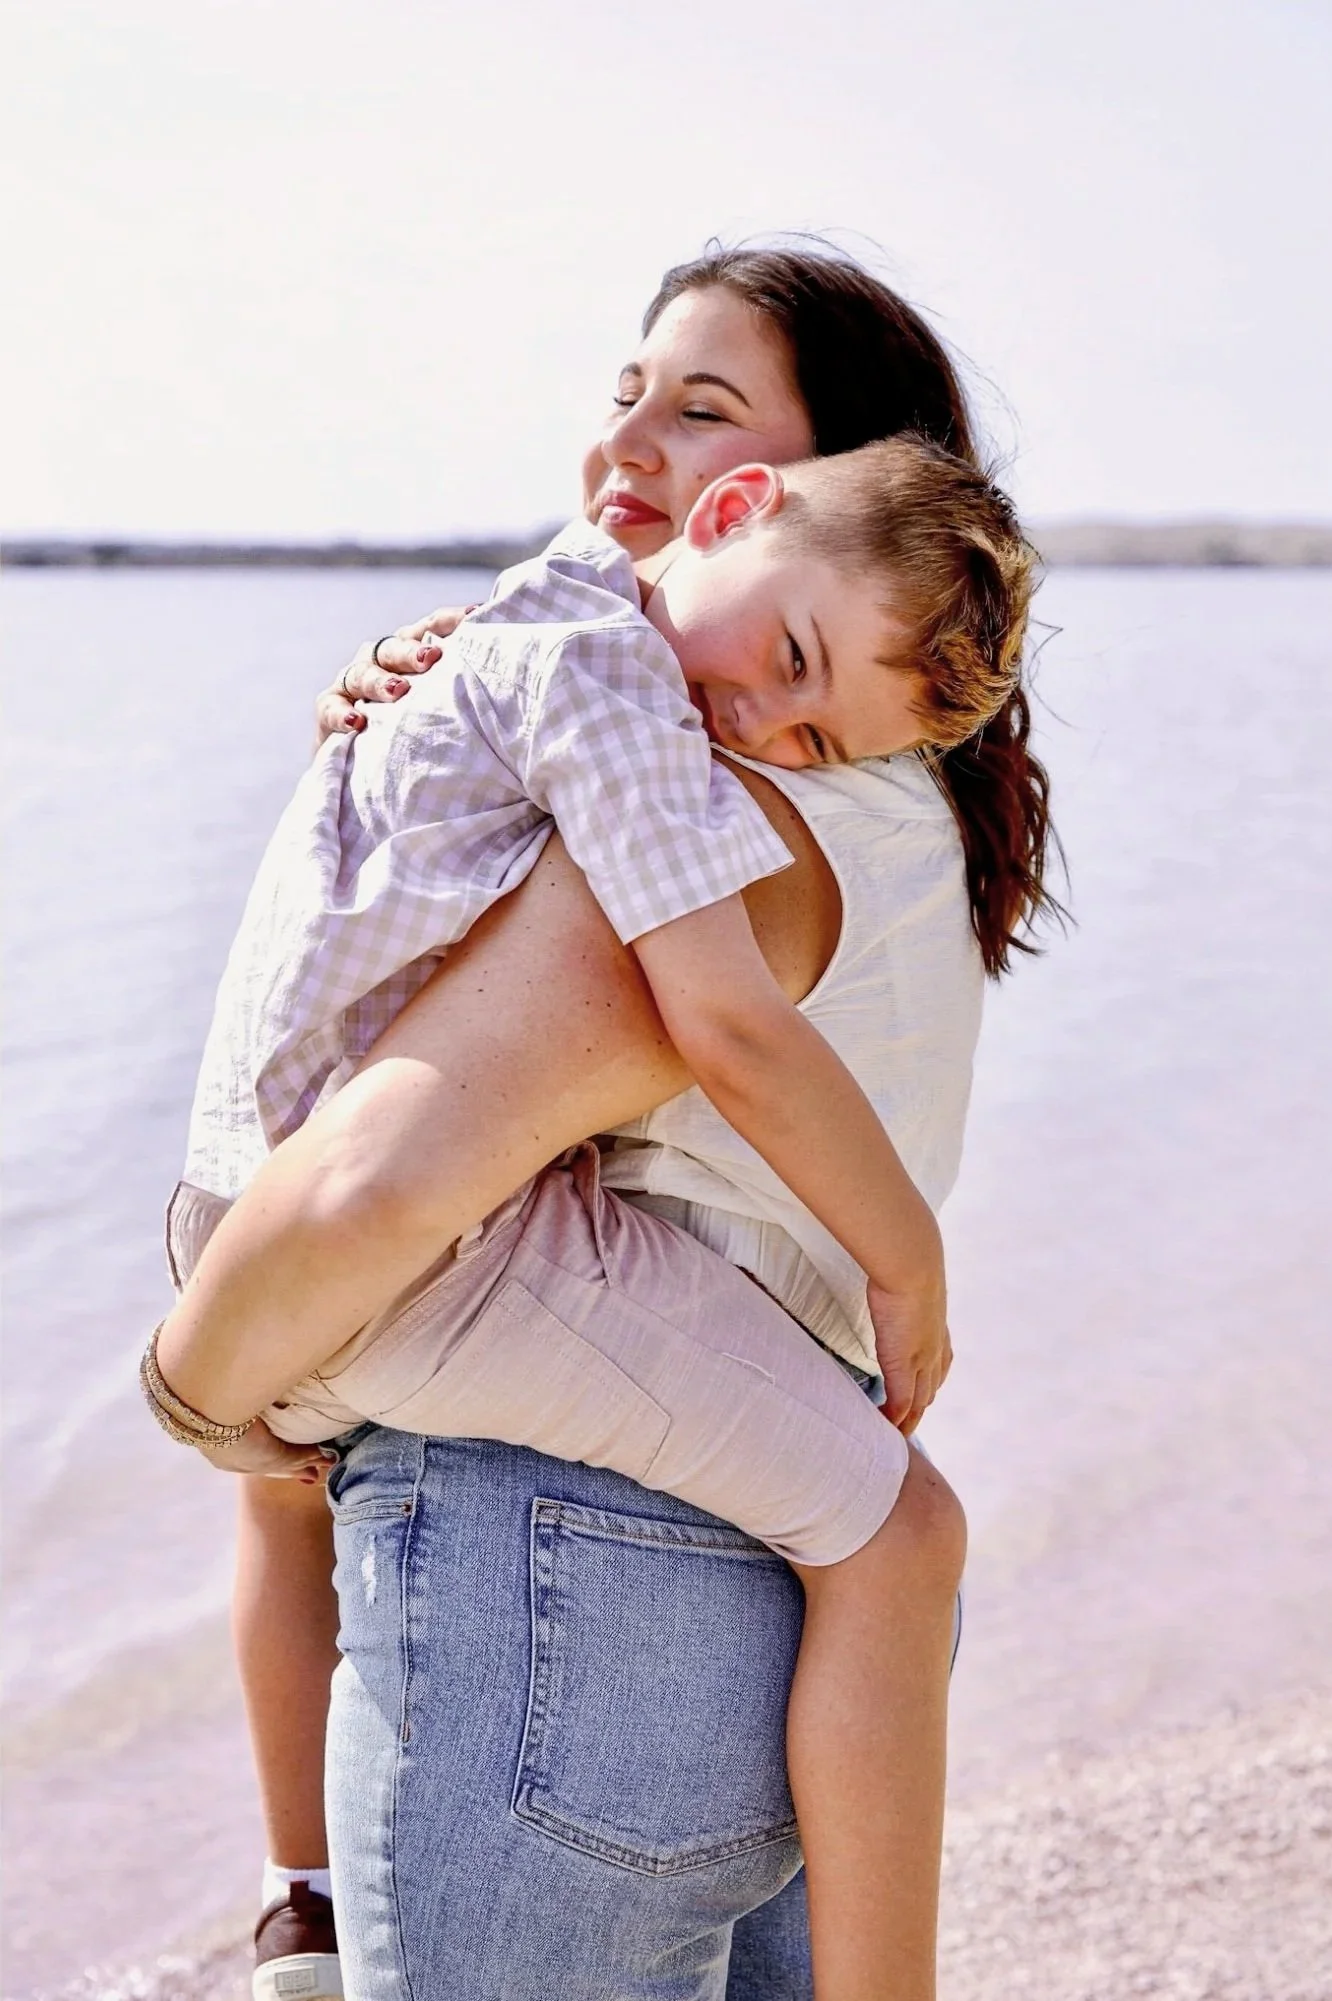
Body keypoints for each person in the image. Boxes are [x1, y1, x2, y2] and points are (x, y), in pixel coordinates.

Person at [182, 244, 1056, 2000]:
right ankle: (300, 1900)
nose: (629, 447)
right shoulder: (872, 794)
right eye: (628, 392)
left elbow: (369, 1173)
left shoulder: (715, 787)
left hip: (568, 1575)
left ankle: (298, 1908)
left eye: (709, 407)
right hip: (773, 1560)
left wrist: (199, 1380)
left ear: (808, 478)